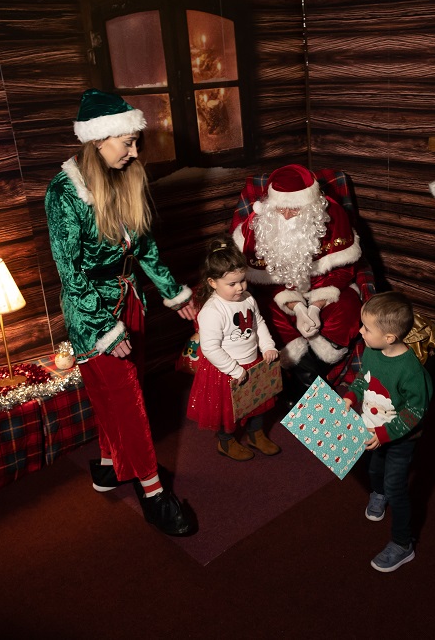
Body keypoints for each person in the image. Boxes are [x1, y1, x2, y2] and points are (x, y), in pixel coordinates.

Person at [44, 88, 197, 536]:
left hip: (130, 301)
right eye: (126, 143)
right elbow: (71, 275)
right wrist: (103, 327)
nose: (135, 152)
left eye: (135, 142)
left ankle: (111, 464)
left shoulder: (124, 177)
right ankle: (152, 493)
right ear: (97, 140)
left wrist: (175, 292)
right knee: (128, 403)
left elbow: (144, 247)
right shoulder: (64, 194)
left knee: (122, 393)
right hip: (91, 314)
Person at [231, 164, 363, 393]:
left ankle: (297, 389)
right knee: (264, 315)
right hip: (278, 294)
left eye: (295, 210)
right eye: (281, 209)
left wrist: (315, 307)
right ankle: (311, 396)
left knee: (348, 309)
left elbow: (344, 271)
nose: (287, 215)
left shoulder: (333, 217)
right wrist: (298, 308)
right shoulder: (258, 225)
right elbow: (263, 282)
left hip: (325, 287)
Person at [342, 291, 433, 573]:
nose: (360, 331)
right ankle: (377, 493)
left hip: (399, 440)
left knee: (396, 487)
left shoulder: (411, 371)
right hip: (372, 431)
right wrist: (350, 397)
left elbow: (413, 414)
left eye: (367, 328)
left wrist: (383, 435)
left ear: (390, 337)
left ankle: (403, 543)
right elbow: (363, 380)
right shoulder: (372, 350)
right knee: (373, 471)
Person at [186, 235, 282, 461]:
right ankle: (226, 442)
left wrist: (267, 345)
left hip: (253, 361)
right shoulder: (212, 311)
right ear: (212, 282)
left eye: (242, 280)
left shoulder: (247, 298)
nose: (240, 287)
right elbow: (210, 348)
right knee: (227, 411)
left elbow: (258, 323)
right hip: (226, 370)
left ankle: (256, 434)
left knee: (257, 402)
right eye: (232, 284)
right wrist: (235, 369)